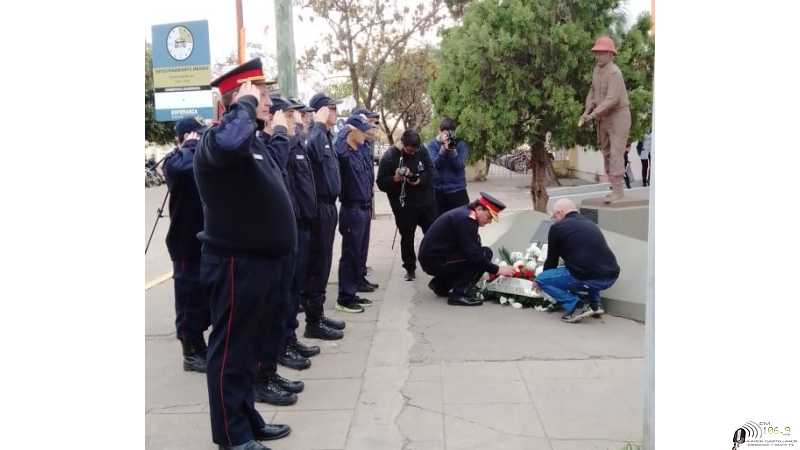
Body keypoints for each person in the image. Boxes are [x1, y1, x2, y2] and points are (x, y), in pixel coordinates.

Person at [194, 58, 292, 450]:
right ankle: (232, 438)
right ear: (237, 101)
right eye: (260, 95)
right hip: (236, 265)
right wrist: (244, 107)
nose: (268, 102)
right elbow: (229, 140)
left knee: (247, 352)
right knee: (230, 353)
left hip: (260, 263)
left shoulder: (249, 142)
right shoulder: (217, 141)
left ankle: (246, 419)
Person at [250, 95, 311, 407]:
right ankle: (262, 376)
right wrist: (283, 133)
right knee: (268, 313)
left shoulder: (271, 143)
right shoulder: (258, 143)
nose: (295, 121)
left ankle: (271, 369)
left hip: (284, 236)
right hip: (263, 243)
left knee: (283, 303)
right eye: (289, 115)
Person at [162, 116, 211, 373]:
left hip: (205, 240)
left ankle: (200, 344)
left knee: (204, 299)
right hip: (185, 244)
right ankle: (190, 352)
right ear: (185, 137)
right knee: (188, 300)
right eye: (196, 136)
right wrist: (189, 147)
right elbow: (179, 171)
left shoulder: (198, 159)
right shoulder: (175, 161)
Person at [418, 192, 516, 306]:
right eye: (489, 217)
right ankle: (460, 294)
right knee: (483, 254)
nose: (489, 222)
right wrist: (497, 269)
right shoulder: (466, 219)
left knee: (480, 253)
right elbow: (473, 254)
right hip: (435, 261)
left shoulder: (466, 213)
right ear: (479, 209)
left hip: (435, 258)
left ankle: (440, 285)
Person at [302, 93, 347, 340]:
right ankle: (313, 321)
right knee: (317, 264)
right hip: (318, 207)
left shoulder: (327, 136)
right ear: (320, 111)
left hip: (330, 206)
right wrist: (317, 123)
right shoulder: (314, 135)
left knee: (325, 261)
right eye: (331, 108)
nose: (335, 112)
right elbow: (314, 154)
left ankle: (318, 314)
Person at [534, 198, 620, 324]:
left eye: (554, 215)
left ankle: (575, 306)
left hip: (588, 278)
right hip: (611, 275)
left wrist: (542, 279)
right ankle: (595, 305)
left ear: (560, 212)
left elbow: (552, 260)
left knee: (542, 279)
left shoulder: (557, 228)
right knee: (588, 266)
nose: (554, 219)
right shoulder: (590, 223)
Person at [376, 129, 437, 281]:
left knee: (433, 234)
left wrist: (419, 180)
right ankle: (410, 268)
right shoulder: (390, 156)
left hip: (425, 203)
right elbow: (381, 183)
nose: (412, 153)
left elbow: (432, 171)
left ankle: (436, 264)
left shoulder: (422, 150)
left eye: (414, 151)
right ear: (403, 144)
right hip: (403, 206)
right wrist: (395, 179)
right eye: (409, 150)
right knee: (407, 238)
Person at [579, 35, 631, 204]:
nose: (598, 56)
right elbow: (593, 93)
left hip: (618, 117)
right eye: (597, 52)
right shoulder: (596, 70)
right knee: (606, 152)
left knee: (616, 153)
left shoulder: (615, 73)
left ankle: (619, 192)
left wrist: (592, 115)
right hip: (603, 117)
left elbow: (612, 99)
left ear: (610, 54)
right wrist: (587, 108)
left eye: (602, 53)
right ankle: (613, 188)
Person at [334, 114, 378, 313]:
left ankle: (352, 292)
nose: (366, 134)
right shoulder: (343, 152)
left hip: (363, 207)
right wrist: (345, 129)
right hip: (351, 209)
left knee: (358, 254)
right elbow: (337, 145)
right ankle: (345, 297)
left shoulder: (359, 150)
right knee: (350, 255)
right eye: (362, 131)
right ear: (352, 131)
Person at [351, 107, 381, 292]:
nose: (371, 126)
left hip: (365, 200)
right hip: (353, 204)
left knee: (362, 245)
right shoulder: (352, 146)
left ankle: (360, 275)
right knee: (352, 250)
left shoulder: (365, 145)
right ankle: (353, 283)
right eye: (369, 122)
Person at [426, 117, 470, 216]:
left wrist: (452, 150)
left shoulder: (461, 144)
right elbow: (434, 166)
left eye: (451, 134)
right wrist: (442, 150)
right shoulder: (432, 145)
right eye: (445, 133)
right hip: (438, 192)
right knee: (440, 225)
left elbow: (458, 166)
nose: (448, 136)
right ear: (439, 131)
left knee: (462, 222)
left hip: (458, 190)